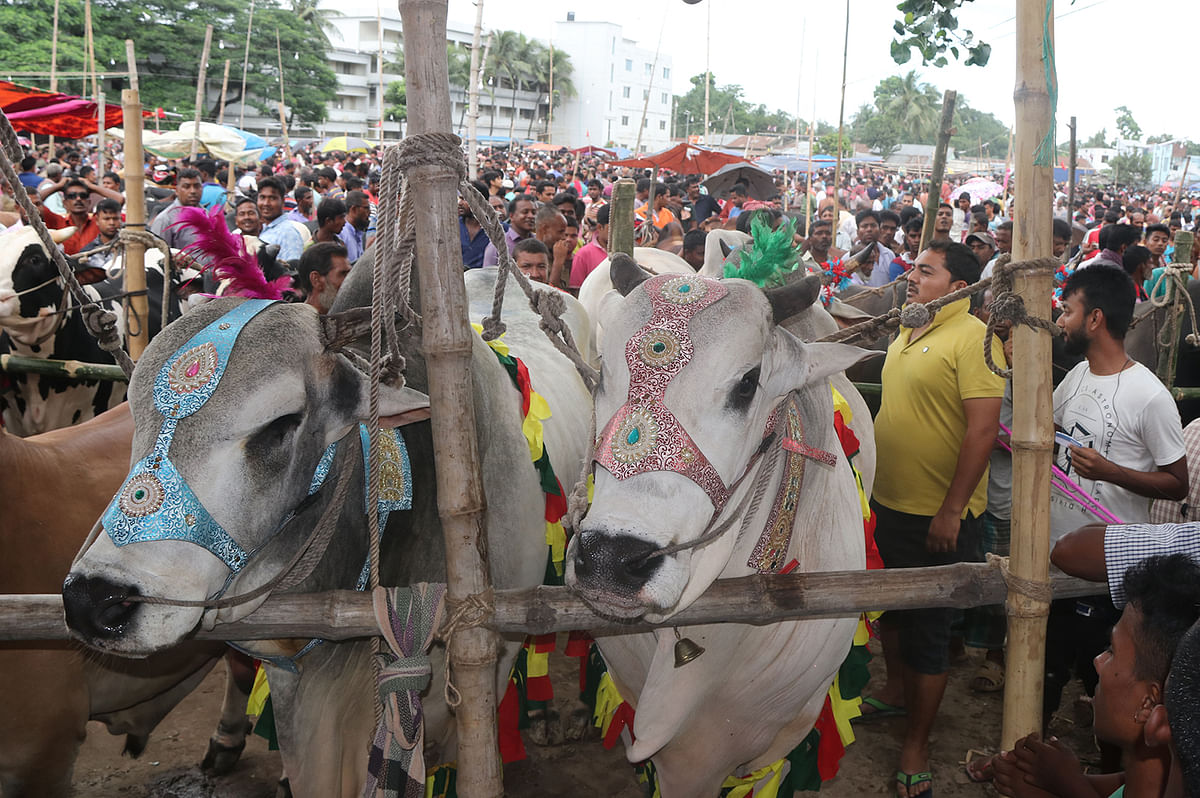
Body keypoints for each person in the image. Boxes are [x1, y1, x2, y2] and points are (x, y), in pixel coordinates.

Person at [862, 239, 1005, 798]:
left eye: (925, 270)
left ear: (959, 285)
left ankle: (917, 744)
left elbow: (983, 431)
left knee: (929, 631)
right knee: (894, 615)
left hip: (938, 516)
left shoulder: (976, 340)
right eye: (913, 267)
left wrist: (951, 509)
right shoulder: (910, 326)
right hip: (889, 503)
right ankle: (895, 692)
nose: (910, 276)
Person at [975, 554, 1200, 798]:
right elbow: (1124, 785)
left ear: (1149, 704)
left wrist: (1060, 788)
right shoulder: (1156, 779)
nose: (1098, 661)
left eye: (1112, 650)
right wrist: (1063, 780)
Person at [39, 176, 126, 256]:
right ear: (64, 203)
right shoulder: (56, 221)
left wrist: (93, 187)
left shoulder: (99, 221)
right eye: (72, 196)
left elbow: (119, 200)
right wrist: (58, 187)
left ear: (89, 202)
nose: (78, 199)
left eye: (83, 196)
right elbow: (30, 203)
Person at [149, 168, 204, 250]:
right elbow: (158, 255)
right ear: (177, 190)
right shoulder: (165, 220)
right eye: (186, 187)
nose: (193, 191)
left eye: (197, 186)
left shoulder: (207, 215)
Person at [256, 177, 304, 262]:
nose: (266, 203)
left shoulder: (288, 233)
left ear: (282, 201)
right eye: (262, 197)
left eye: (272, 198)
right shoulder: (262, 228)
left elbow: (292, 270)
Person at [482, 194, 535, 268]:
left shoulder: (539, 240)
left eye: (533, 212)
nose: (531, 216)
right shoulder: (497, 246)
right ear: (512, 216)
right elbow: (487, 276)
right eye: (525, 212)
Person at [298, 241, 351, 314]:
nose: (350, 280)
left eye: (350, 273)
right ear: (316, 280)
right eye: (343, 274)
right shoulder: (298, 323)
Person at [569, 203, 610, 292]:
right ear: (600, 227)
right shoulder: (583, 254)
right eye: (612, 228)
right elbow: (576, 290)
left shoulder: (630, 252)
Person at [78, 198, 123, 274]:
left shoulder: (132, 246)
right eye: (106, 219)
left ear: (121, 219)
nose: (111, 223)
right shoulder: (87, 253)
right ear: (97, 220)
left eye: (115, 219)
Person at [534, 205, 571, 289]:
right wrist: (558, 263)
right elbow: (550, 292)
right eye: (560, 231)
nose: (564, 237)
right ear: (544, 229)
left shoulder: (555, 252)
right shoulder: (530, 253)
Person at [338, 190, 370, 264]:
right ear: (354, 209)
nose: (369, 212)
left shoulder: (358, 232)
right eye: (366, 208)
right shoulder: (342, 234)